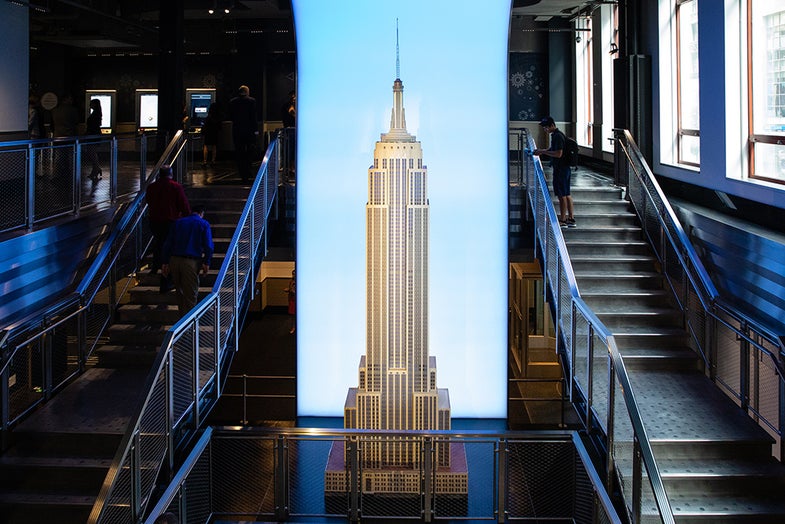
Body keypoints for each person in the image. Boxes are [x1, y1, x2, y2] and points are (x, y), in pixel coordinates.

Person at [161, 205, 214, 316]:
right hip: (191, 262)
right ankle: (189, 327)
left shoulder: (178, 222)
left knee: (179, 294)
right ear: (201, 213)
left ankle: (181, 321)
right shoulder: (203, 224)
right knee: (190, 295)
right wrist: (207, 262)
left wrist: (165, 262)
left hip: (174, 260)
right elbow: (208, 246)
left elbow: (168, 243)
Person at [146, 165, 191, 284]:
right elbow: (183, 204)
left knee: (158, 242)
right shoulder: (176, 187)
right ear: (171, 174)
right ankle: (167, 276)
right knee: (169, 246)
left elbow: (149, 201)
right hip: (170, 220)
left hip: (154, 220)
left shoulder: (151, 187)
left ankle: (155, 266)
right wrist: (188, 217)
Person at [534, 116, 575, 228]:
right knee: (567, 193)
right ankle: (571, 218)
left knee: (561, 195)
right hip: (565, 168)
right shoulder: (559, 135)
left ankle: (562, 219)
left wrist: (543, 152)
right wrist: (542, 151)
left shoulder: (557, 136)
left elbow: (558, 154)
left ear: (552, 125)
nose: (545, 130)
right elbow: (552, 149)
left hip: (560, 169)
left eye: (546, 127)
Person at [229, 85, 258, 183]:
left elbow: (231, 116)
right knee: (250, 151)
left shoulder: (233, 102)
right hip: (249, 131)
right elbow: (253, 117)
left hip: (237, 131)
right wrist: (256, 130)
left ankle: (242, 173)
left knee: (239, 152)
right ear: (247, 92)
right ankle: (248, 170)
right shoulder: (251, 101)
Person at [280, 90, 296, 183]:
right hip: (290, 130)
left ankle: (290, 167)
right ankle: (289, 167)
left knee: (291, 150)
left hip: (291, 130)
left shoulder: (295, 105)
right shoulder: (287, 106)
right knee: (289, 150)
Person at [85, 98, 103, 182]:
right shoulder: (97, 114)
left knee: (91, 153)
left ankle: (96, 169)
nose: (90, 105)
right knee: (93, 153)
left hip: (92, 135)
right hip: (95, 135)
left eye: (91, 103)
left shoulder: (94, 115)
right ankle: (96, 169)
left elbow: (91, 126)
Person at [202, 103, 221, 167]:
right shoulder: (217, 116)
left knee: (206, 146)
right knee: (214, 146)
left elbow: (205, 125)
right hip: (214, 133)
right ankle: (213, 161)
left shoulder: (208, 116)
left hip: (208, 133)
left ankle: (205, 161)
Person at [283, 269, 296, 334]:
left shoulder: (299, 281)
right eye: (292, 274)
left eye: (294, 274)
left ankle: (296, 327)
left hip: (296, 299)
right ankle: (293, 327)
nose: (293, 275)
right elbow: (291, 289)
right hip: (291, 299)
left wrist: (291, 291)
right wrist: (288, 290)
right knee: (292, 315)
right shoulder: (291, 281)